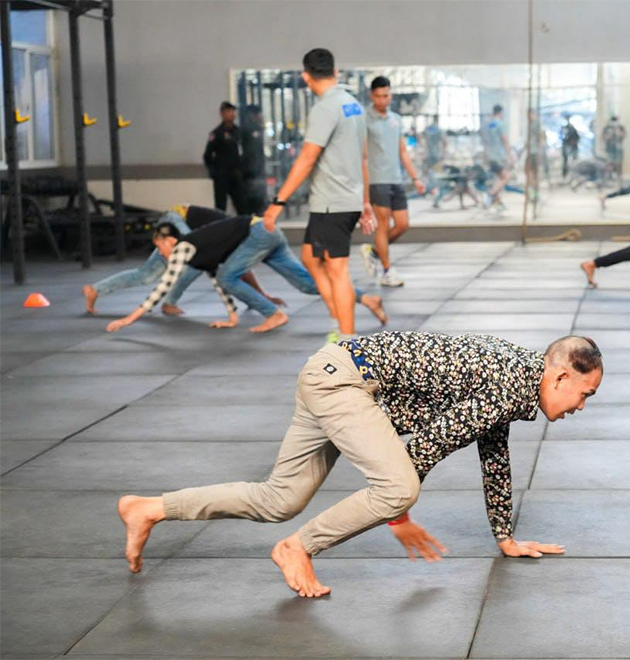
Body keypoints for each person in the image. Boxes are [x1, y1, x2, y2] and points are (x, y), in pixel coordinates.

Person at [116, 332, 604, 597]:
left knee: (278, 498)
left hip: (332, 369)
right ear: (561, 375)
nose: (582, 405)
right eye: (586, 393)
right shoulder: (508, 383)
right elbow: (422, 451)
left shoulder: (519, 375)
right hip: (345, 382)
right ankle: (296, 549)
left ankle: (149, 508)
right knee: (398, 487)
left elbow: (492, 450)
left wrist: (504, 536)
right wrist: (400, 515)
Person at [261, 48, 376, 342]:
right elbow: (363, 159)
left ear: (305, 77)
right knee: (311, 258)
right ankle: (340, 319)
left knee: (337, 270)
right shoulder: (353, 105)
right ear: (335, 72)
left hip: (332, 204)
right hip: (342, 200)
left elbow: (307, 158)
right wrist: (364, 202)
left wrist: (278, 203)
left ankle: (349, 342)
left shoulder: (325, 108)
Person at [105, 214, 387, 334]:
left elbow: (162, 288)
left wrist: (128, 319)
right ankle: (366, 299)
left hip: (258, 232)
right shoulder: (200, 251)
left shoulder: (182, 248)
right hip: (267, 232)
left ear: (168, 242)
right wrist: (232, 317)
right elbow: (219, 281)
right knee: (306, 284)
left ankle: (273, 315)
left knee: (230, 276)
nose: (162, 254)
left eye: (159, 248)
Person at [83, 205, 232, 315]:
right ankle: (170, 303)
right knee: (194, 260)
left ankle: (94, 290)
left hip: (173, 220)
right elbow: (241, 271)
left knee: (146, 275)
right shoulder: (231, 228)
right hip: (175, 218)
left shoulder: (232, 233)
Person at [359, 76, 426, 288]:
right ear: (372, 96)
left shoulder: (395, 119)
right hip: (377, 180)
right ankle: (387, 271)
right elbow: (364, 156)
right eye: (378, 96)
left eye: (386, 96)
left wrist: (415, 177)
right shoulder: (365, 120)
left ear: (391, 95)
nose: (382, 100)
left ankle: (374, 252)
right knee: (383, 225)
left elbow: (402, 151)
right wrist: (365, 192)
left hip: (396, 179)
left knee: (403, 224)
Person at [203, 101, 248, 214]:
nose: (231, 114)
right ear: (222, 114)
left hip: (236, 174)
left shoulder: (238, 132)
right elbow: (207, 155)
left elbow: (244, 151)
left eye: (233, 111)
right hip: (222, 175)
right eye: (228, 112)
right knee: (220, 207)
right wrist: (214, 172)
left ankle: (243, 228)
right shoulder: (217, 133)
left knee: (241, 205)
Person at [481, 104, 513, 211]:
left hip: (490, 156)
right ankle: (490, 195)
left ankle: (498, 203)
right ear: (500, 113)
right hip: (498, 156)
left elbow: (484, 141)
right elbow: (504, 139)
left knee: (498, 179)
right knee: (506, 177)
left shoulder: (487, 125)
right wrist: (510, 154)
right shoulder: (500, 124)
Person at [240, 104, 268, 214]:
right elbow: (250, 152)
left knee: (257, 199)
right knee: (255, 200)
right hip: (251, 172)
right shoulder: (248, 129)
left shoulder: (257, 129)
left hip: (256, 171)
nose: (261, 117)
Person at [602, 115, 627, 182]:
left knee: (619, 163)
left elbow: (623, 136)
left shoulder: (620, 127)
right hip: (610, 149)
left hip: (618, 148)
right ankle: (609, 176)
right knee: (609, 163)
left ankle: (619, 176)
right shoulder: (607, 128)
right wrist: (609, 135)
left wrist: (618, 132)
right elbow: (604, 137)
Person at [560, 114, 580, 178]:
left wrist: (573, 142)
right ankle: (565, 175)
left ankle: (574, 174)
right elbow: (561, 137)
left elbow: (577, 137)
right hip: (567, 145)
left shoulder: (572, 128)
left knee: (574, 161)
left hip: (572, 146)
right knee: (566, 161)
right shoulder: (564, 128)